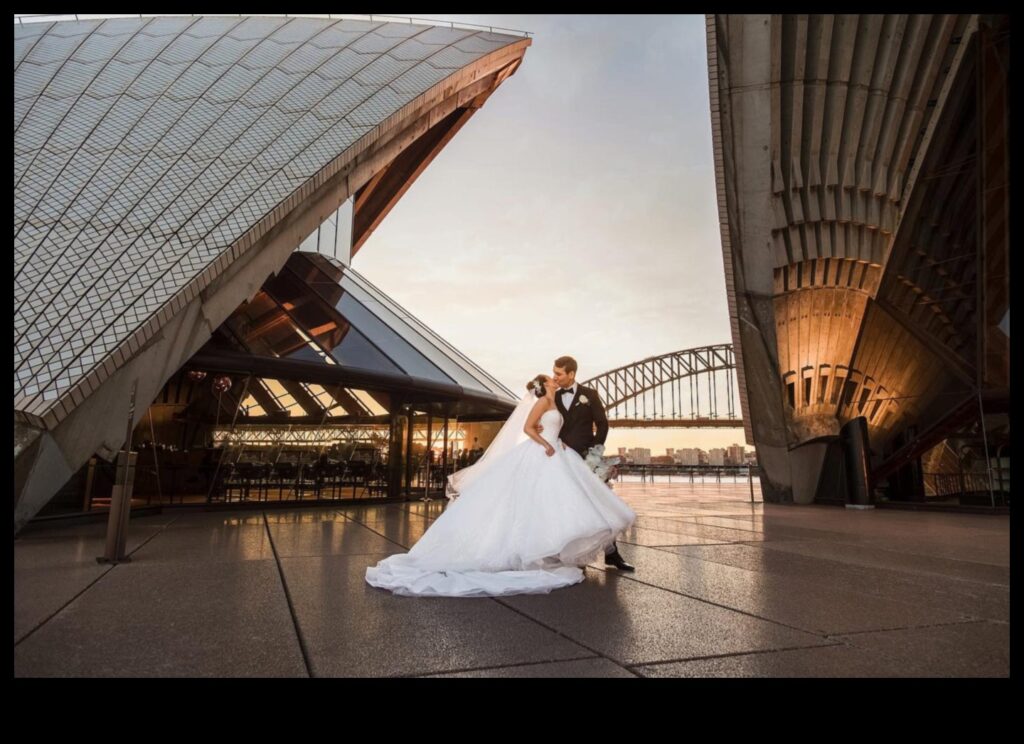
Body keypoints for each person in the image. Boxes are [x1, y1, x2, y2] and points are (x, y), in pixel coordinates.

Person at [364, 373, 637, 597]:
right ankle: (543, 551)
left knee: (562, 502)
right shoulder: (542, 402)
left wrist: (562, 443)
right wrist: (546, 444)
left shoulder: (560, 401)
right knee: (545, 501)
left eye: (558, 375)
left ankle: (574, 551)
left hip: (561, 453)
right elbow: (529, 428)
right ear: (544, 385)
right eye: (551, 377)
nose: (555, 379)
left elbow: (568, 426)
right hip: (544, 453)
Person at [548, 355, 635, 571]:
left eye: (559, 373)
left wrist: (595, 453)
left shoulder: (590, 394)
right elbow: (546, 422)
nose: (555, 377)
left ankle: (612, 555)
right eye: (554, 373)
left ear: (571, 374)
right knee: (567, 506)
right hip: (561, 460)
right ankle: (572, 555)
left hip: (586, 458)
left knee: (599, 503)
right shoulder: (553, 397)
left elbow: (602, 424)